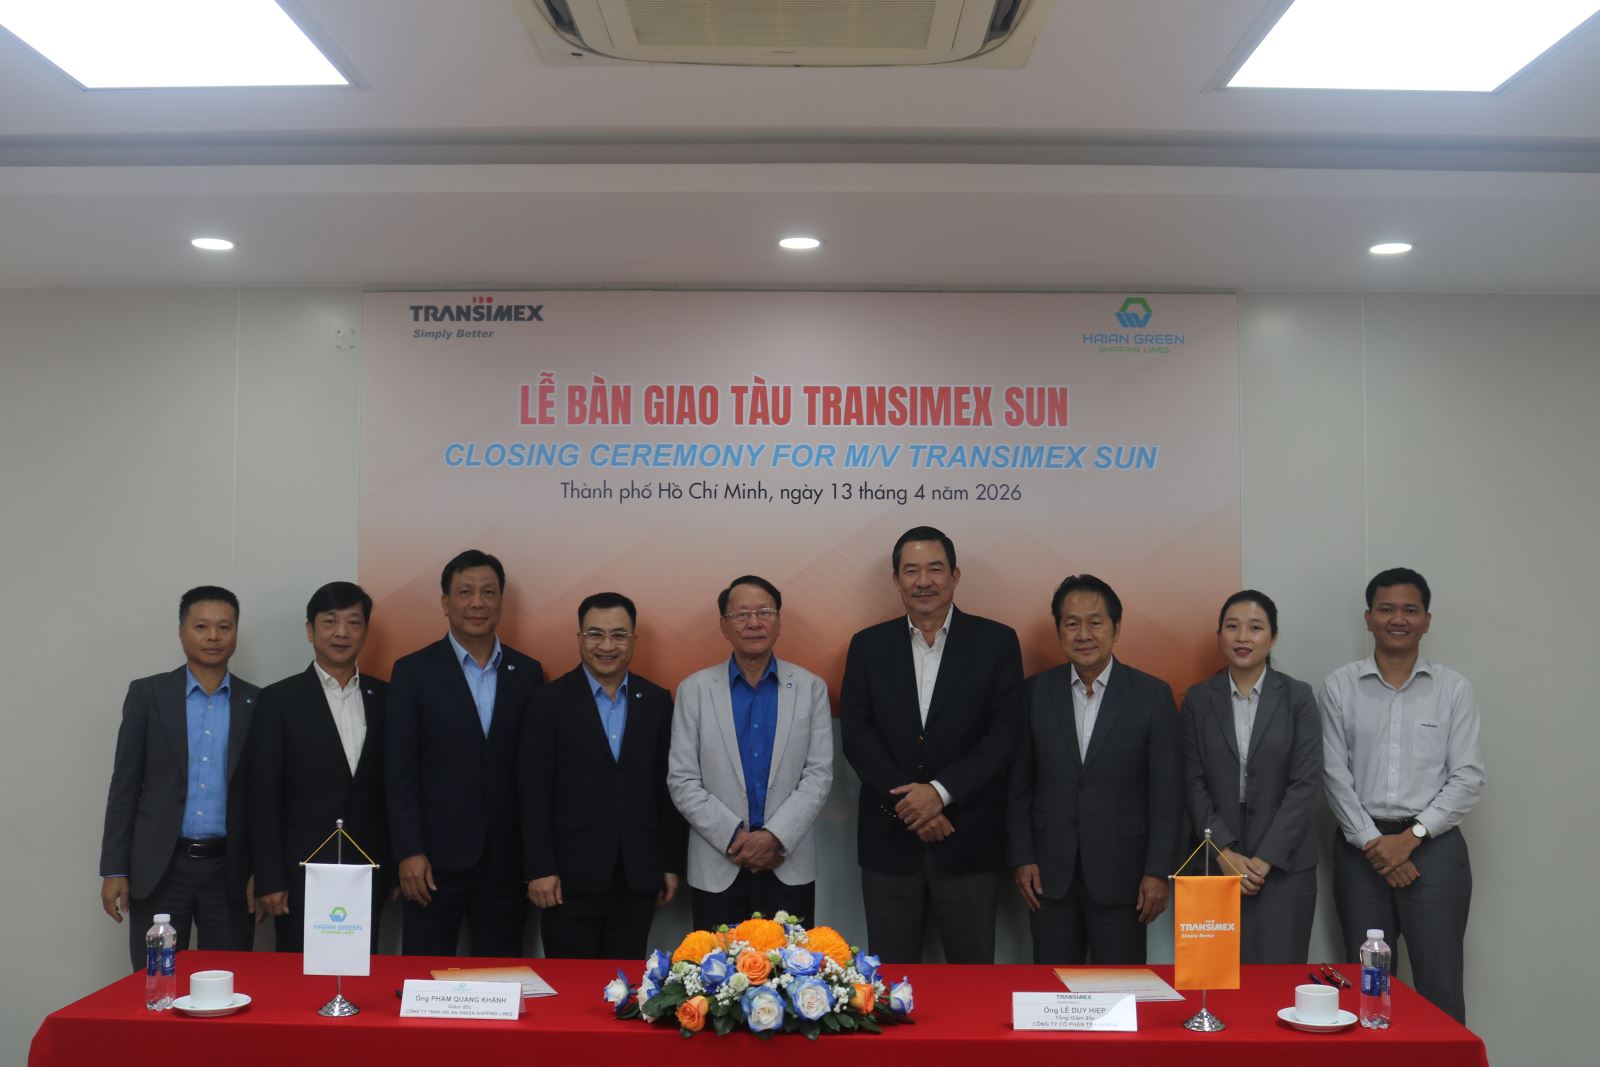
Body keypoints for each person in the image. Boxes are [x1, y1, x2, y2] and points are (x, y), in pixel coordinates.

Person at [841, 527, 1022, 964]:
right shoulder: (867, 646)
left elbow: (1004, 735)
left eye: (935, 569)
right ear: (896, 580)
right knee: (890, 983)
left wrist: (940, 794)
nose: (924, 581)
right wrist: (911, 805)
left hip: (968, 839)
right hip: (889, 842)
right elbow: (857, 735)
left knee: (972, 979)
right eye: (911, 571)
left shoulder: (997, 642)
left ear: (955, 576)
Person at [1321, 567, 1484, 1023]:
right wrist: (1376, 844)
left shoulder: (1453, 689)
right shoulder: (1339, 686)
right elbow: (1333, 773)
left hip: (1434, 851)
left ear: (1427, 620)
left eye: (1410, 610)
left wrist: (1409, 838)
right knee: (1366, 986)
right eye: (1386, 609)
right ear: (1368, 618)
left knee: (1440, 983)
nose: (1398, 619)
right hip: (1360, 853)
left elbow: (1468, 776)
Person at [1007, 574, 1181, 964]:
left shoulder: (1152, 695)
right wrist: (1023, 857)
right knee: (1053, 988)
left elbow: (1167, 795)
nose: (1083, 634)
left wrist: (1158, 872)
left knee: (1121, 989)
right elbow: (1018, 784)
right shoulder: (1033, 693)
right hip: (1048, 875)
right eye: (1072, 623)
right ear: (1059, 631)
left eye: (1095, 622)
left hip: (1125, 876)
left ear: (1116, 628)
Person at [386, 549, 543, 956]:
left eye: (488, 592)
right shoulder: (413, 672)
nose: (477, 603)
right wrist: (409, 851)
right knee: (424, 976)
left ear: (501, 601)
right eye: (465, 592)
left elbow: (534, 774)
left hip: (506, 861)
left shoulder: (528, 673)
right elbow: (399, 772)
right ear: (445, 603)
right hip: (433, 862)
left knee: (501, 978)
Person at [99, 586, 259, 971]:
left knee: (227, 982)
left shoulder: (256, 701)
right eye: (201, 626)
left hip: (229, 870)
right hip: (161, 867)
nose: (213, 636)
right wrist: (114, 869)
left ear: (236, 633)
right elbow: (124, 786)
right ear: (181, 631)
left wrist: (263, 871)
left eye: (224, 627)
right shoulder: (148, 694)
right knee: (157, 981)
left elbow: (263, 797)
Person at [520, 592, 686, 958]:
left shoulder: (657, 701)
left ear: (634, 641)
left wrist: (670, 864)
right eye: (595, 634)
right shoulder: (547, 702)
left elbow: (668, 789)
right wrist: (539, 867)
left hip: (637, 876)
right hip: (566, 880)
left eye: (619, 635)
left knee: (626, 986)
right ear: (579, 638)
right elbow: (532, 792)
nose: (607, 646)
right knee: (570, 987)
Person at [668, 575, 833, 931]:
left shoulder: (811, 688)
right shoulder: (694, 690)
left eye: (764, 612)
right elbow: (682, 780)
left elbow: (818, 776)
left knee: (791, 965)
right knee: (714, 966)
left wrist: (774, 837)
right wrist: (735, 838)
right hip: (718, 862)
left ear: (779, 622)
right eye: (741, 614)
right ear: (724, 626)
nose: (754, 622)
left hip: (787, 861)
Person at [248, 581, 390, 953]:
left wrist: (393, 867)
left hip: (368, 870)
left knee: (364, 974)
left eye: (353, 622)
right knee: (298, 978)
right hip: (300, 874)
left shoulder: (387, 697)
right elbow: (263, 796)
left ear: (366, 631)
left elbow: (395, 787)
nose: (342, 632)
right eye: (330, 622)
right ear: (310, 630)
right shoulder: (278, 700)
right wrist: (269, 878)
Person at [1180, 590, 1321, 963]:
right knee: (1213, 979)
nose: (1243, 637)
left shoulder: (1298, 697)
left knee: (1277, 980)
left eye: (1255, 627)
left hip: (1285, 862)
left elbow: (1305, 783)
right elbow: (1192, 782)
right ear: (1219, 636)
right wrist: (1222, 852)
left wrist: (1266, 858)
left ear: (1272, 637)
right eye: (1232, 627)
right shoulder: (1198, 699)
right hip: (1213, 858)